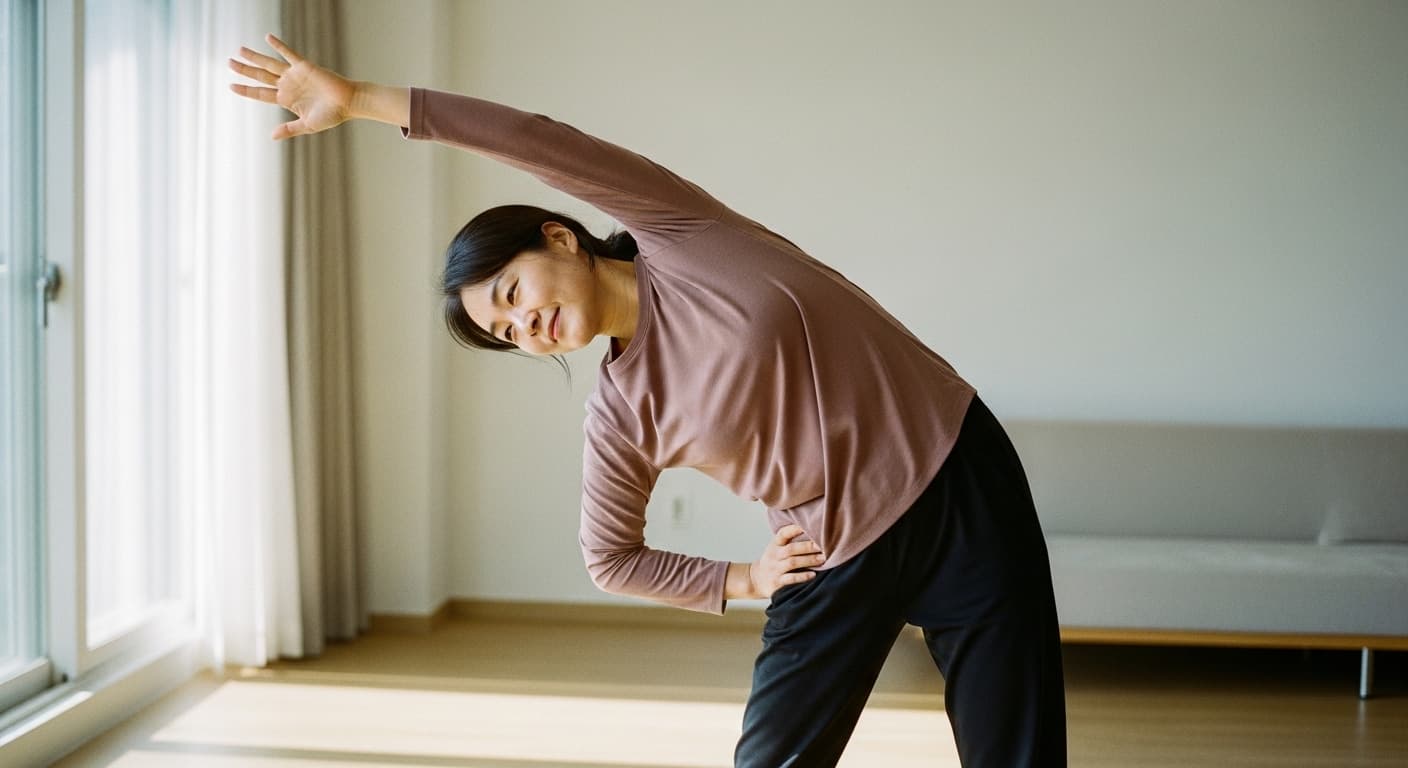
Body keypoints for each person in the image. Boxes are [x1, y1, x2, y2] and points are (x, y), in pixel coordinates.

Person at [231, 33, 1067, 767]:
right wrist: (742, 575)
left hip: (957, 472)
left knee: (1018, 751)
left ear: (559, 238)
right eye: (508, 333)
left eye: (514, 293)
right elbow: (610, 558)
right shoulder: (622, 412)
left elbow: (531, 139)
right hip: (833, 548)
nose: (526, 325)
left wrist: (365, 101)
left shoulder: (683, 232)